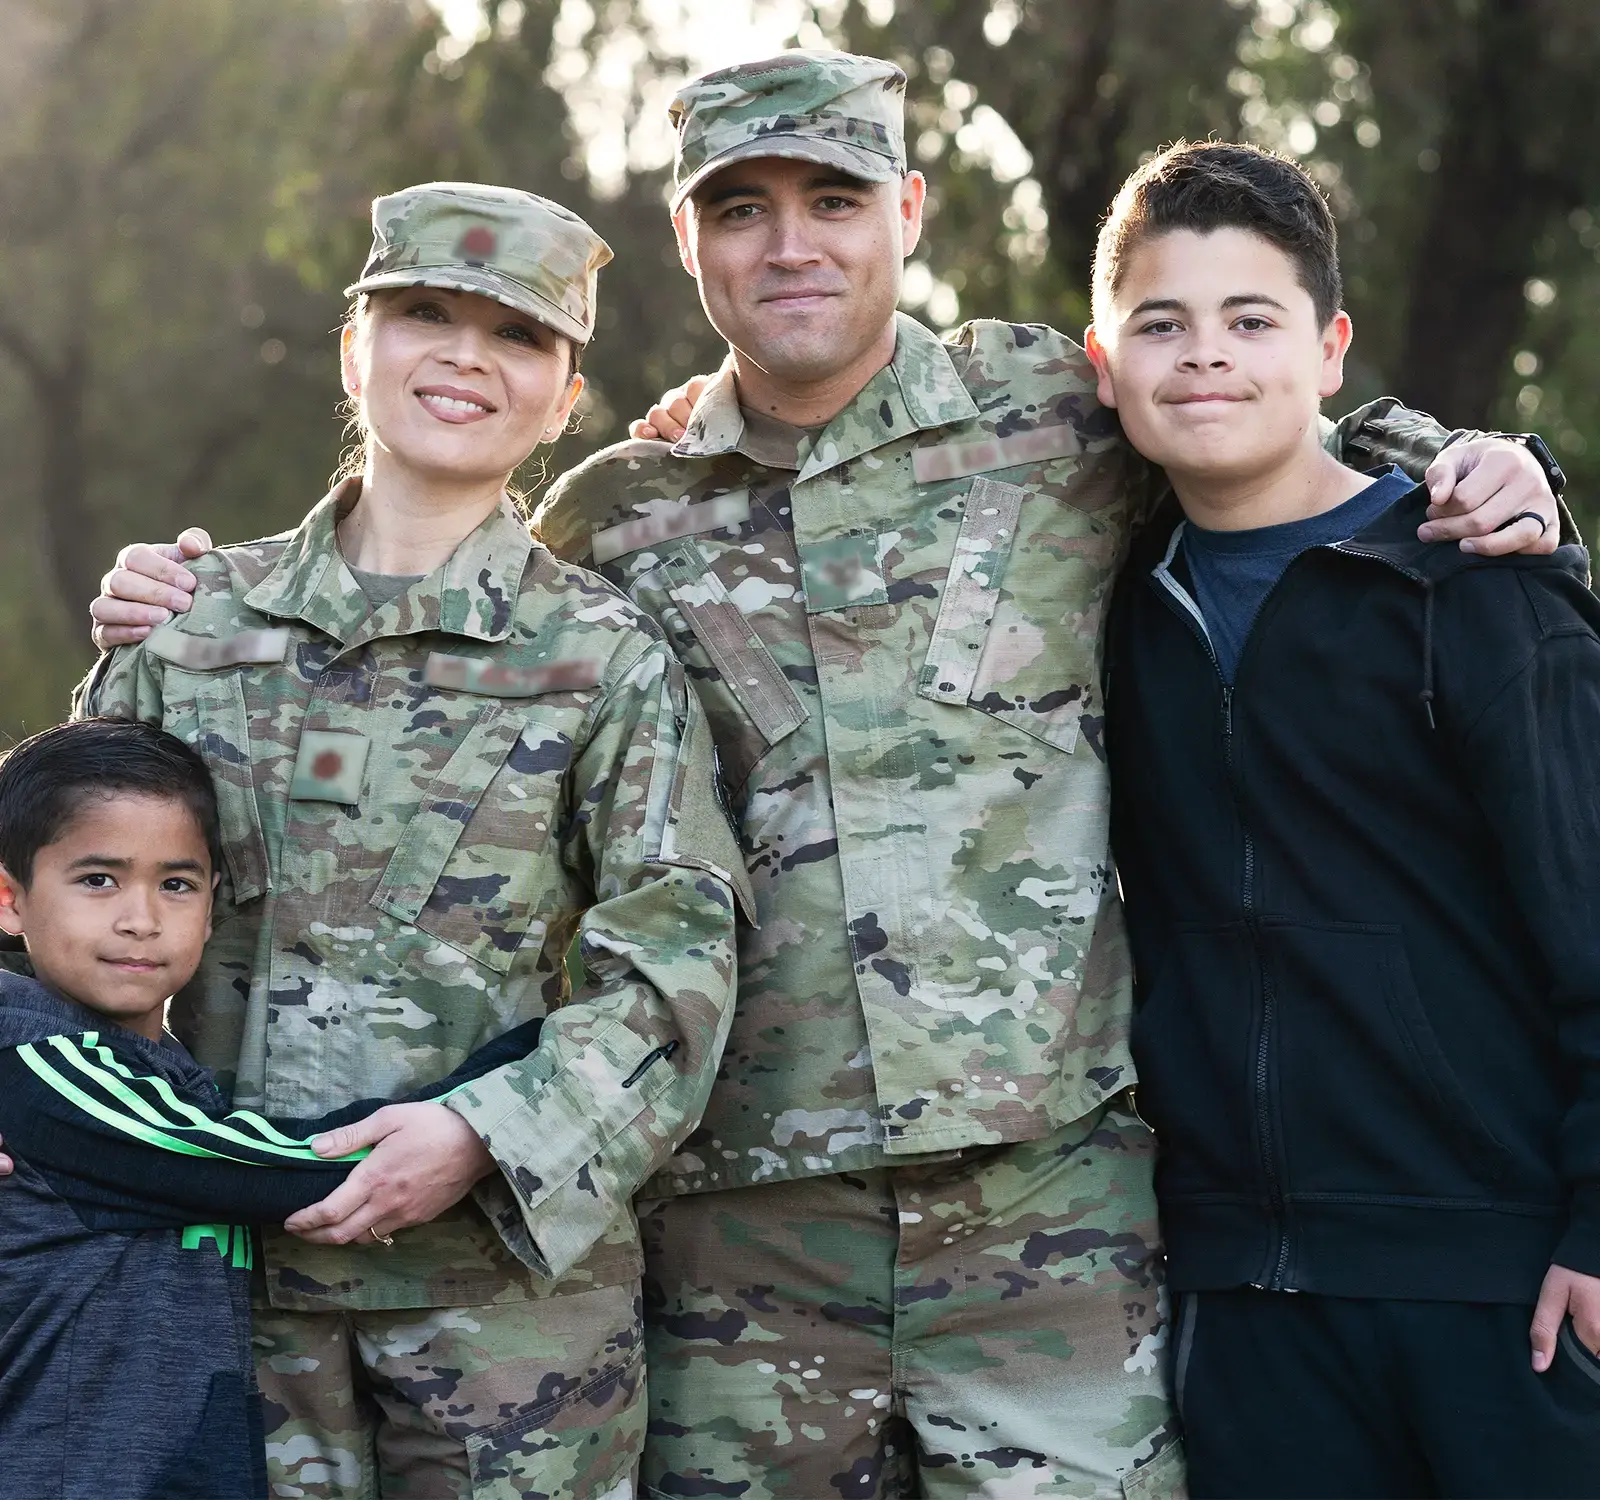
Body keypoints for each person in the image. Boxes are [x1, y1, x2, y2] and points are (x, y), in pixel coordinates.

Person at [85, 53, 1564, 1500]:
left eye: (834, 199)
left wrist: (1460, 459)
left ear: (908, 212)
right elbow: (428, 639)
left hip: (1046, 1213)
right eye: (742, 208)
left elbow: (1248, 410)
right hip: (746, 1244)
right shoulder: (620, 513)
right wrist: (186, 593)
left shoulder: (1054, 416)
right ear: (690, 237)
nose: (791, 243)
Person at [66, 182, 749, 1499]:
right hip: (222, 1295)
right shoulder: (189, 631)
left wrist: (484, 1132)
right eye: (424, 313)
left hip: (509, 1336)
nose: (462, 358)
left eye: (516, 336)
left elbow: (678, 970)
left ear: (564, 397)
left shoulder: (602, 661)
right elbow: (55, 927)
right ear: (352, 347)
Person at [1093, 141, 1600, 1498]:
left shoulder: (1479, 590)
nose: (1207, 357)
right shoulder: (1103, 608)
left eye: (1252, 320)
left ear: (1330, 353)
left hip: (1504, 1289)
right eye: (1163, 324)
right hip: (1242, 1307)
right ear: (1104, 361)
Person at [0, 716, 552, 1500]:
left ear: (213, 902)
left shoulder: (143, 1058)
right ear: (10, 900)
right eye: (98, 880)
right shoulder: (45, 1069)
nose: (141, 918)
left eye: (176, 883)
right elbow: (290, 1170)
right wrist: (530, 1062)